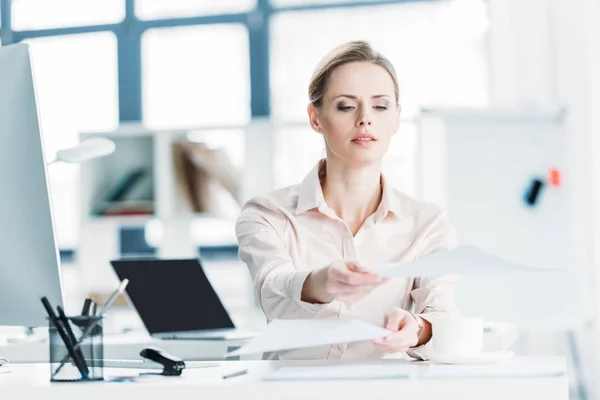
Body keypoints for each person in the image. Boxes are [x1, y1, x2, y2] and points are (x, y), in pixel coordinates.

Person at [235, 40, 457, 360]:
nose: (365, 118)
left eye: (380, 106)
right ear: (315, 118)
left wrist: (417, 328)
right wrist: (320, 284)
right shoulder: (268, 214)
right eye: (346, 106)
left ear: (396, 118)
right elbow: (273, 290)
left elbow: (444, 314)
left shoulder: (427, 223)